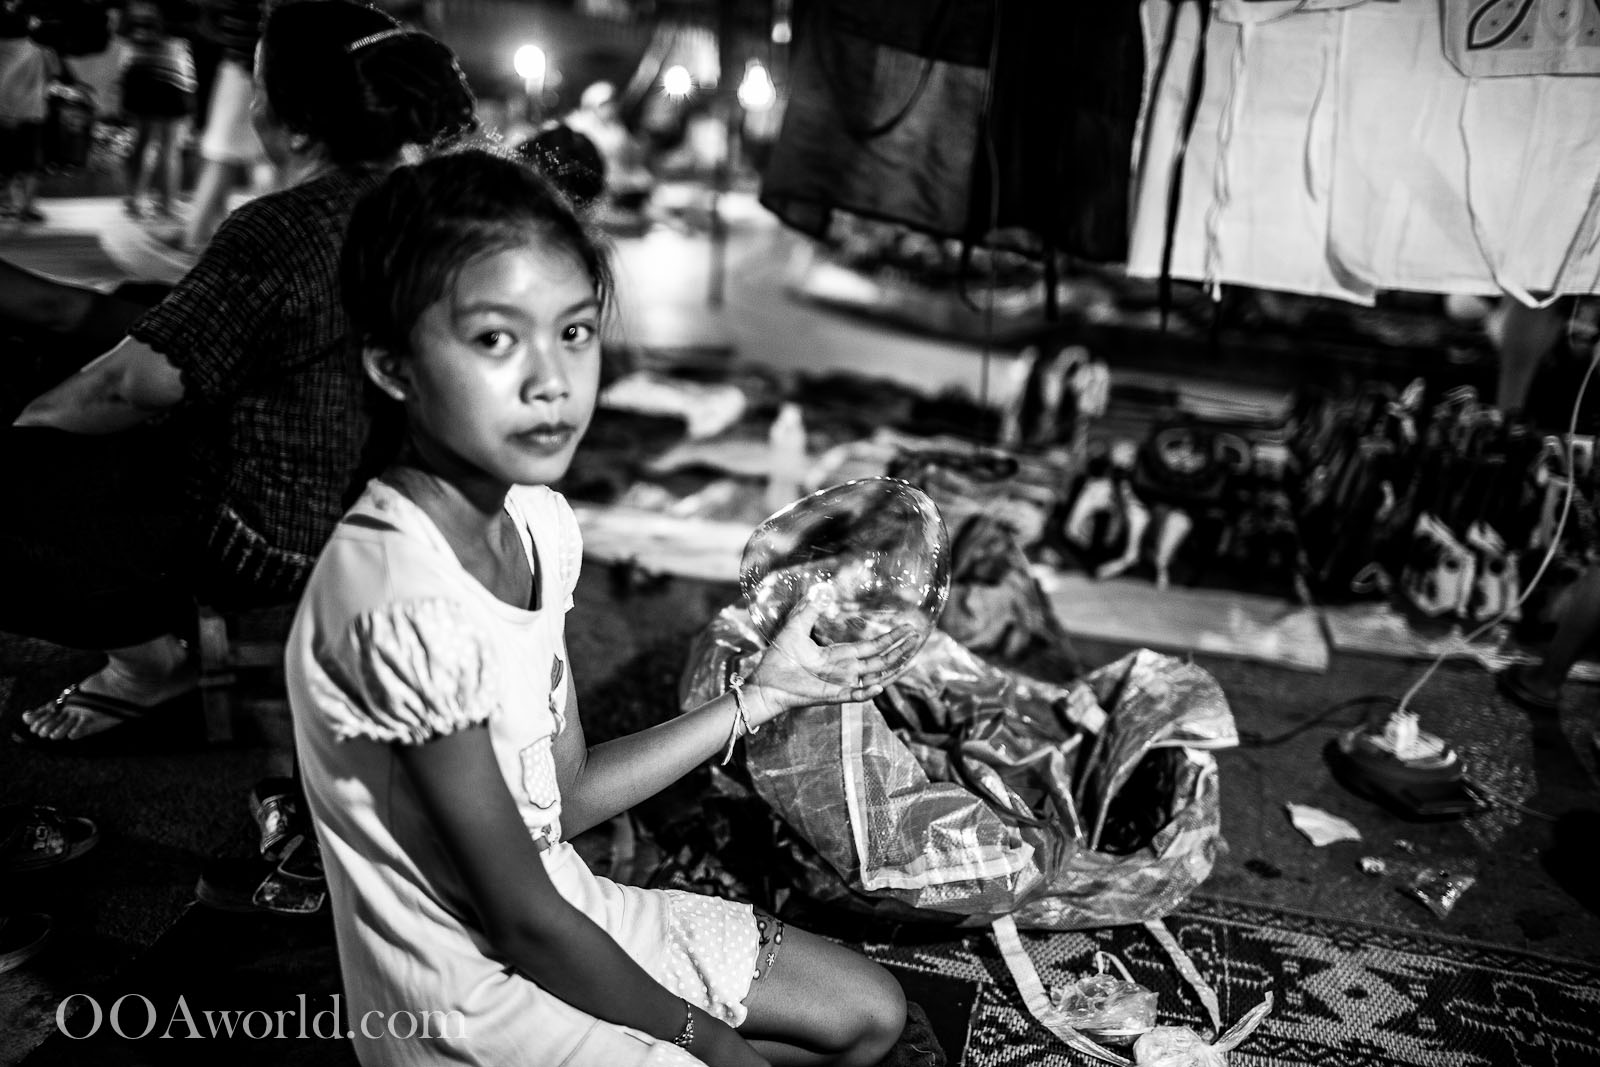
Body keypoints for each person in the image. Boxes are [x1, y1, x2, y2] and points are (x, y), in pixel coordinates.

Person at [287, 146, 919, 1067]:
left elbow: (567, 795)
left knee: (868, 1015)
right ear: (392, 364)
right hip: (471, 1001)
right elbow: (519, 922)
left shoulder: (538, 523)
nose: (551, 380)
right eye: (495, 339)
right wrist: (707, 1042)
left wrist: (760, 697)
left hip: (565, 908)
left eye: (575, 331)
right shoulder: (397, 597)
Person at [3, 0, 477, 753]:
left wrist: (27, 435)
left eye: (257, 87)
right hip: (399, 503)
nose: (250, 106)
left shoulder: (287, 226)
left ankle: (146, 667)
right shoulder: (434, 207)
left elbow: (130, 387)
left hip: (270, 539)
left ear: (295, 123)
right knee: (133, 307)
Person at [117, 0, 197, 219]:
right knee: (170, 144)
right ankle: (167, 203)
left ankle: (134, 199)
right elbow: (190, 27)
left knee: (142, 140)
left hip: (136, 69)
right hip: (170, 71)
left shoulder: (132, 4)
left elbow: (121, 29)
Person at [0, 0, 53, 222]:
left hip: (3, 113)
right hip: (31, 112)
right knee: (31, 162)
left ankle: (7, 201)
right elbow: (54, 73)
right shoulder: (38, 50)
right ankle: (27, 207)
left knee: (5, 161)